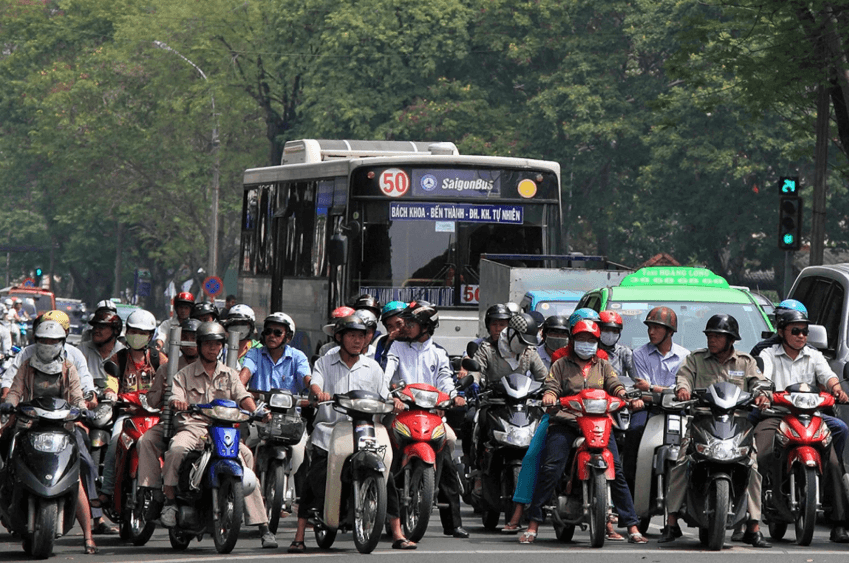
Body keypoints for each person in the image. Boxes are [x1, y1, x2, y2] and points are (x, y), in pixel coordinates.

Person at [136, 322, 278, 548]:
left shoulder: (230, 375)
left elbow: (243, 396)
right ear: (200, 345)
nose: (213, 348)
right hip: (193, 427)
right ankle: (170, 501)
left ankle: (263, 526)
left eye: (217, 344)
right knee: (176, 450)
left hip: (222, 429)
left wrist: (257, 411)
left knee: (246, 456)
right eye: (209, 344)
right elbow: (175, 396)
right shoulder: (183, 374)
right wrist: (178, 402)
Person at [518, 319, 648, 545]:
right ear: (572, 340)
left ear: (597, 343)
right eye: (581, 339)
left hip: (599, 423)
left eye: (591, 340)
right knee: (551, 467)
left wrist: (626, 397)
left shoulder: (603, 365)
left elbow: (615, 385)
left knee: (616, 470)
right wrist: (550, 396)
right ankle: (533, 524)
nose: (586, 343)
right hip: (566, 421)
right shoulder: (561, 364)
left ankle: (632, 526)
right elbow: (551, 385)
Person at [659, 314, 773, 548]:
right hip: (702, 422)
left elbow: (759, 382)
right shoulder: (696, 359)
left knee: (752, 467)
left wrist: (762, 395)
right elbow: (684, 377)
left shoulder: (745, 362)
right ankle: (671, 522)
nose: (712, 340)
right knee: (681, 463)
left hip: (737, 424)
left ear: (731, 339)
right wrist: (683, 390)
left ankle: (754, 527)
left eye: (717, 336)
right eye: (710, 335)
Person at [289, 315, 400, 552]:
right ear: (339, 337)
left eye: (361, 336)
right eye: (352, 335)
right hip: (330, 431)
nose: (357, 340)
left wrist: (395, 402)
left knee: (386, 475)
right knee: (315, 475)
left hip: (364, 430)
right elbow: (315, 383)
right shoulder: (324, 362)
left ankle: (398, 532)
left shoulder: (373, 367)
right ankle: (299, 535)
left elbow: (385, 395)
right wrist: (319, 393)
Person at [2, 320, 99, 553]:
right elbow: (15, 390)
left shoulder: (69, 367)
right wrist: (9, 403)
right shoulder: (26, 365)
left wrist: (83, 409)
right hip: (28, 425)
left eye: (53, 341)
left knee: (76, 474)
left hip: (63, 427)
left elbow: (77, 396)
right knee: (7, 456)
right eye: (43, 340)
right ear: (36, 341)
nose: (48, 345)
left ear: (62, 343)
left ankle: (88, 536)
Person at [755, 308, 849, 542]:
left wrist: (837, 389)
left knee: (834, 462)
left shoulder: (814, 355)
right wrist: (764, 394)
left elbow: (828, 375)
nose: (801, 336)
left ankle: (839, 523)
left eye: (805, 332)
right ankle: (750, 519)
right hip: (777, 416)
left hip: (811, 416)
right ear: (781, 332)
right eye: (795, 331)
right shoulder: (769, 354)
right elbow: (762, 377)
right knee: (760, 455)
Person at [384, 301, 468, 539]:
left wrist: (454, 396)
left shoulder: (438, 352)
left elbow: (445, 380)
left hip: (431, 415)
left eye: (411, 323)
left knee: (448, 450)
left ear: (426, 327)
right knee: (386, 455)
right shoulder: (396, 348)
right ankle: (384, 511)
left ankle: (453, 523)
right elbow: (386, 374)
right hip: (400, 413)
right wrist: (390, 395)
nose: (405, 327)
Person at [623, 306, 689, 493]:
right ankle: (629, 490)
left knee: (692, 440)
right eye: (649, 327)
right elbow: (642, 390)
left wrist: (653, 388)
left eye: (657, 328)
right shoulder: (639, 354)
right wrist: (664, 391)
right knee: (634, 431)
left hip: (677, 409)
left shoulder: (685, 356)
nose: (651, 332)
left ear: (670, 331)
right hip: (648, 407)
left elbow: (681, 391)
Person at [240, 312, 309, 394]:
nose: (272, 335)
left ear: (288, 337)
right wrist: (241, 390)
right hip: (258, 402)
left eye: (277, 332)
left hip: (289, 403)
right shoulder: (254, 354)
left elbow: (307, 379)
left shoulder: (298, 357)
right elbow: (243, 377)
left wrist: (315, 389)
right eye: (268, 331)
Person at [78, 307, 125, 391]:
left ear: (115, 330)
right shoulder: (82, 350)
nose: (96, 330)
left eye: (101, 327)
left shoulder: (124, 353)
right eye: (95, 327)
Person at [598, 311, 633, 378]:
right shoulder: (591, 351)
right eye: (606, 330)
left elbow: (636, 377)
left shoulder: (623, 352)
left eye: (615, 331)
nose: (610, 334)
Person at [373, 301, 407, 370]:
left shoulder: (417, 341)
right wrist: (388, 345)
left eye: (399, 324)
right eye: (390, 326)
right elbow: (379, 368)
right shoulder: (383, 342)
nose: (396, 329)